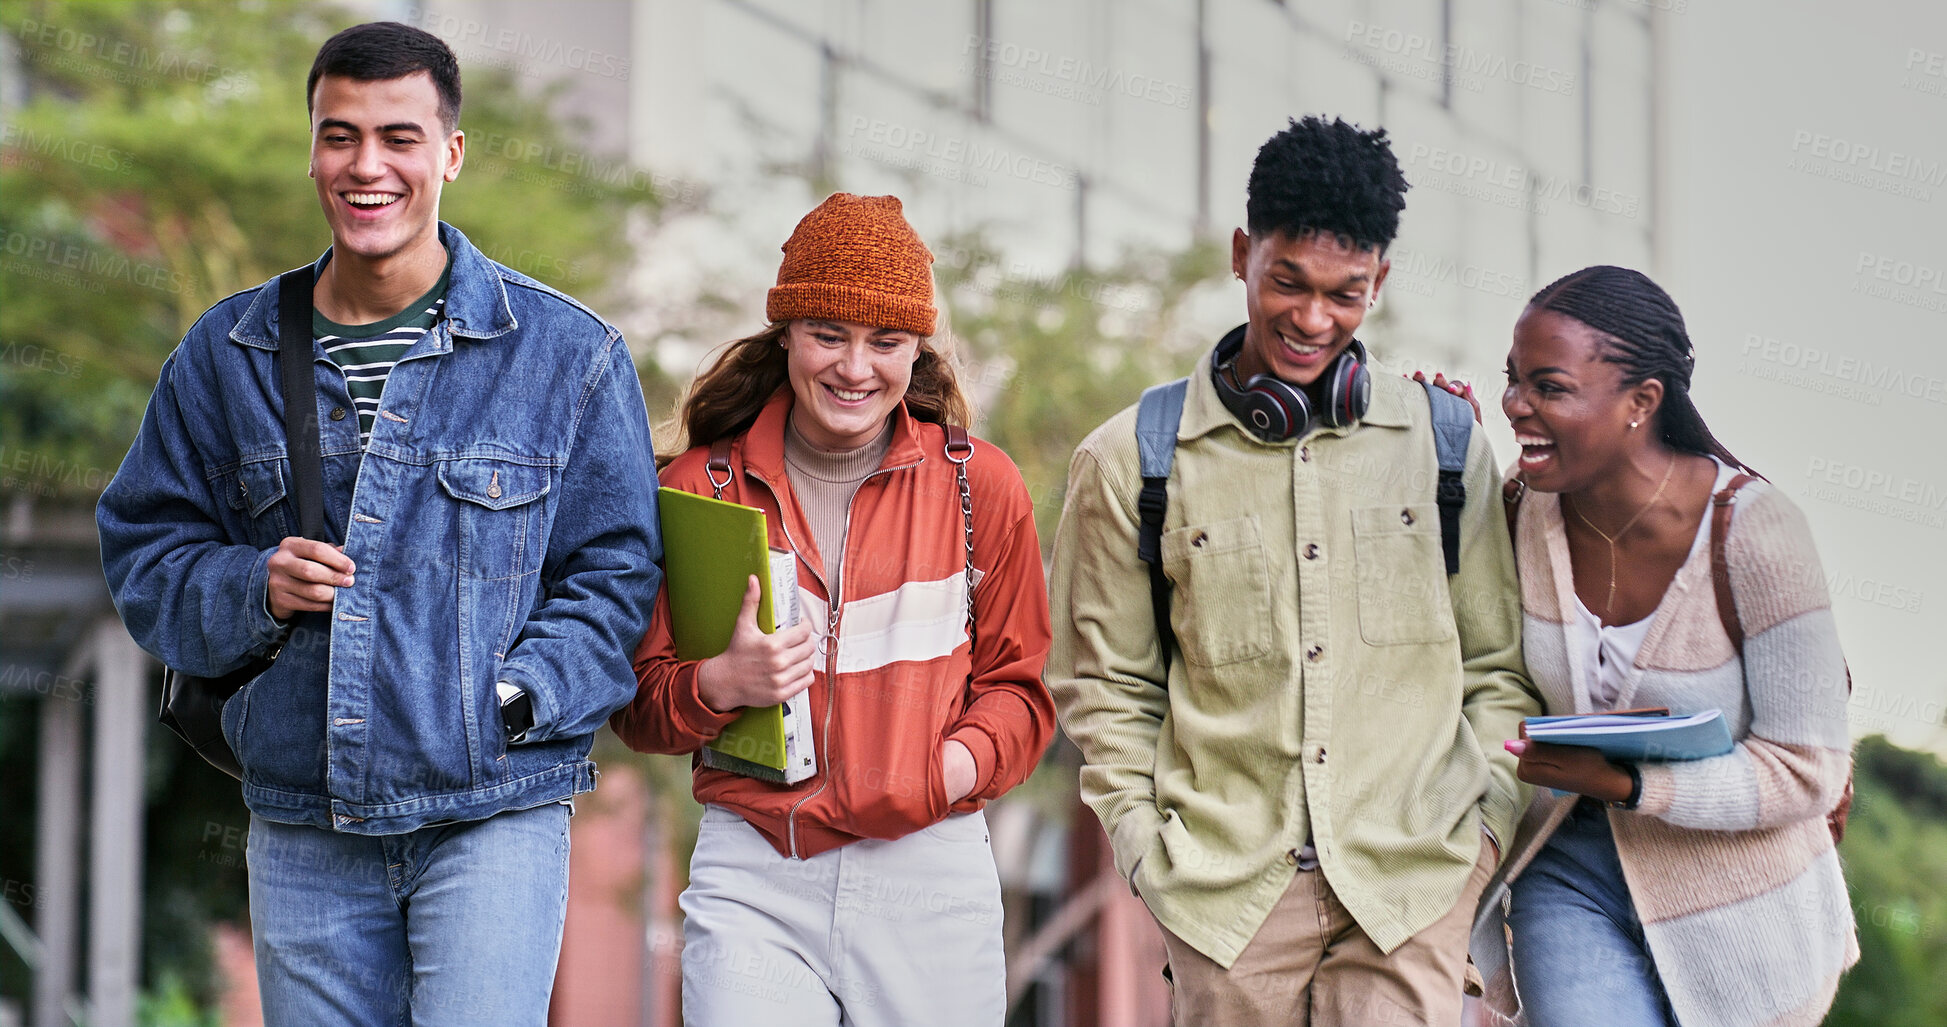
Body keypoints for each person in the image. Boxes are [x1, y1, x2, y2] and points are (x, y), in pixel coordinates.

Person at [97, 22, 661, 1026]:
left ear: (451, 153)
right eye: (340, 135)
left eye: (399, 137)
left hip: (492, 807)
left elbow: (615, 571)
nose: (367, 166)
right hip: (303, 821)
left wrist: (514, 700)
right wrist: (256, 586)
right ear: (313, 150)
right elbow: (145, 550)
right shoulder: (225, 353)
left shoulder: (568, 354)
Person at [1045, 115, 1540, 1026]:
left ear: (1378, 281)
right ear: (1243, 254)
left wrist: (1478, 842)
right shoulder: (1127, 462)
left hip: (1410, 892)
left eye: (1344, 294)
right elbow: (1103, 687)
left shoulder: (1445, 444)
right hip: (1224, 903)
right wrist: (1148, 853)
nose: (1313, 320)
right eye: (1288, 282)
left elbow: (1496, 667)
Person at [610, 192, 1056, 1027]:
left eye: (884, 341)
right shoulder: (700, 487)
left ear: (917, 346)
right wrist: (720, 682)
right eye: (828, 334)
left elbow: (1020, 692)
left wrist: (940, 772)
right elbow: (637, 708)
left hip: (929, 871)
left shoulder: (979, 485)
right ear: (785, 332)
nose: (855, 367)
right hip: (755, 869)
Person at [1470, 266, 1858, 1027]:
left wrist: (1630, 784)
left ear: (1641, 402)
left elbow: (1810, 770)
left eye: (1548, 387)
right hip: (1568, 867)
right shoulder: (1521, 506)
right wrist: (1437, 432)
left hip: (1739, 903)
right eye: (1512, 379)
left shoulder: (1756, 532)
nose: (1514, 404)